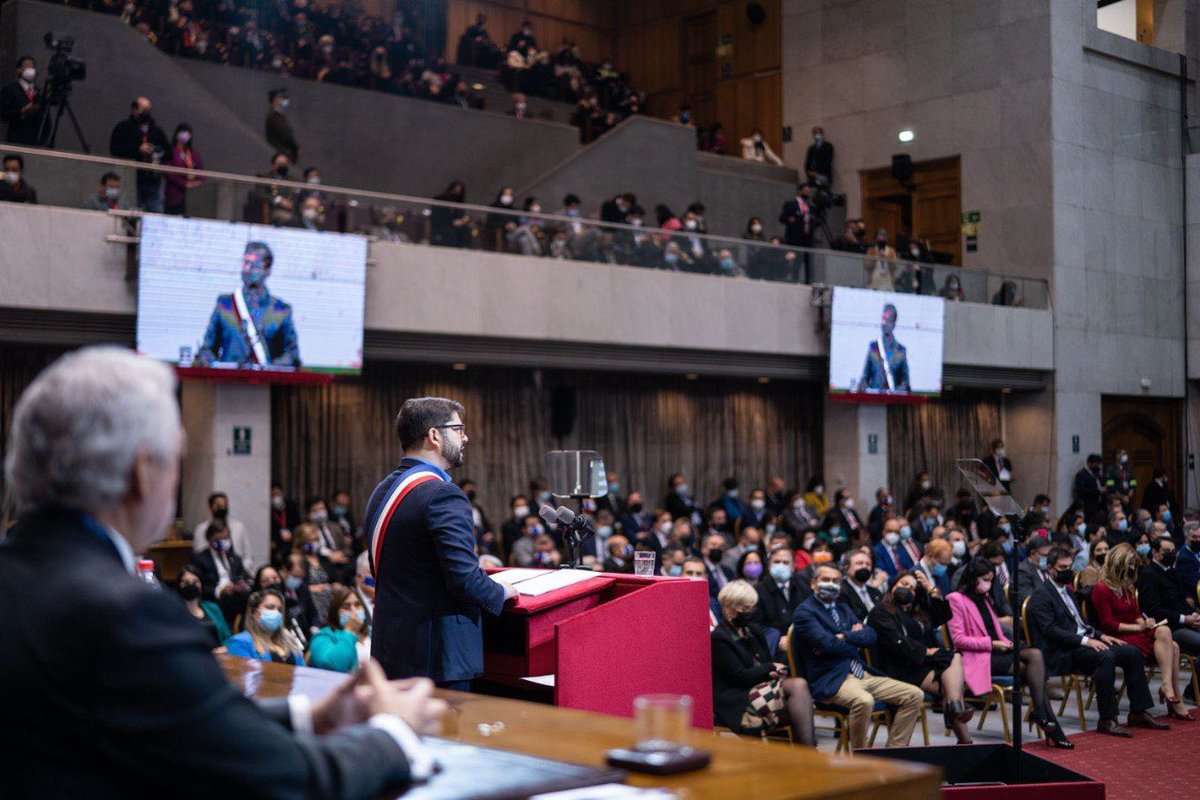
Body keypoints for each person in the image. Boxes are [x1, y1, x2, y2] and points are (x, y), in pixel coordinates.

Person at [0, 345, 446, 797]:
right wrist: (394, 730)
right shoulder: (126, 614)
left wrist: (308, 718)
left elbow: (176, 721)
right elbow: (293, 783)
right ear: (142, 472)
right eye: (178, 459)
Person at [364, 397, 516, 689]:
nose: (466, 437)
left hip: (392, 651)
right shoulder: (442, 494)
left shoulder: (382, 490)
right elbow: (464, 580)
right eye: (459, 429)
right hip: (437, 659)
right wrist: (501, 591)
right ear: (434, 435)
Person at [1028, 546, 1166, 736]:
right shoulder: (1041, 595)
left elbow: (1081, 622)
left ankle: (1138, 712)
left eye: (1070, 566)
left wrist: (1100, 635)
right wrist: (1086, 641)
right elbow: (1052, 631)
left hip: (1081, 643)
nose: (1068, 571)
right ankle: (1107, 719)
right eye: (1063, 568)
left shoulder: (1067, 591)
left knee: (1131, 652)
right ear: (1050, 568)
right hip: (1061, 651)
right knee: (1105, 656)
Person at [792, 563, 924, 749]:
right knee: (864, 701)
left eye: (836, 581)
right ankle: (861, 756)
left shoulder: (843, 608)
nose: (831, 584)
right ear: (814, 583)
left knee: (914, 695)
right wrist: (853, 641)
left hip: (861, 671)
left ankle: (895, 752)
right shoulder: (804, 612)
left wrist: (845, 636)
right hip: (832, 679)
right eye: (826, 580)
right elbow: (827, 644)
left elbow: (870, 636)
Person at [946, 558, 1071, 747]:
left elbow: (995, 629)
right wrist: (993, 644)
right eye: (984, 579)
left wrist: (1007, 643)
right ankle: (1048, 724)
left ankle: (1041, 715)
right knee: (1033, 670)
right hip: (977, 657)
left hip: (997, 650)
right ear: (972, 578)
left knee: (1035, 656)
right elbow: (959, 640)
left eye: (990, 579)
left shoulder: (985, 598)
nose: (987, 584)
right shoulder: (955, 599)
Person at [867, 571, 973, 743]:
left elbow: (943, 615)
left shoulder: (914, 612)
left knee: (953, 664)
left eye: (912, 588)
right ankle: (963, 733)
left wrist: (930, 588)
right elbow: (896, 642)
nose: (907, 589)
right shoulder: (881, 610)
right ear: (893, 585)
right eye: (903, 584)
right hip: (897, 667)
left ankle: (955, 709)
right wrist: (925, 651)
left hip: (918, 664)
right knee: (953, 680)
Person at [1092, 542, 1193, 720]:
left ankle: (1167, 686)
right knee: (1174, 647)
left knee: (1164, 631)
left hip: (1135, 630)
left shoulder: (1127, 586)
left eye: (1134, 565)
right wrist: (1139, 626)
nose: (1132, 568)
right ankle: (1172, 697)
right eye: (1129, 564)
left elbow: (1135, 613)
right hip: (1118, 635)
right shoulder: (1101, 588)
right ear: (1119, 563)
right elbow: (1108, 624)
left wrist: (1145, 622)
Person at [711, 580, 814, 743]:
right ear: (728, 607)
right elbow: (739, 677)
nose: (750, 612)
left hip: (762, 687)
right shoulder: (719, 637)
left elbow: (765, 663)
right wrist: (770, 668)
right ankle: (807, 752)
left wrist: (773, 670)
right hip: (739, 696)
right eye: (744, 608)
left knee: (796, 698)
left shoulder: (753, 631)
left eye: (752, 608)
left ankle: (798, 754)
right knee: (798, 687)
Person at [194, 241, 301, 368]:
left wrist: (269, 369)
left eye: (254, 265)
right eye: (245, 263)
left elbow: (292, 355)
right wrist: (210, 363)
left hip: (266, 384)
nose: (246, 270)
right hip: (228, 383)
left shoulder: (281, 311)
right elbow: (207, 350)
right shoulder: (225, 305)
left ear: (267, 271)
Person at [108, 96, 168, 213]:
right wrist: (137, 149)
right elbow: (115, 149)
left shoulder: (156, 131)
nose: (147, 113)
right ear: (135, 109)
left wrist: (156, 152)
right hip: (130, 178)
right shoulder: (123, 127)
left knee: (155, 211)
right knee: (131, 210)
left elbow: (168, 152)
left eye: (148, 110)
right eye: (143, 109)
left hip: (152, 179)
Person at [188, 519, 252, 626]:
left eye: (225, 538)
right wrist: (220, 590)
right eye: (218, 539)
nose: (223, 542)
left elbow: (244, 576)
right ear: (209, 540)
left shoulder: (235, 558)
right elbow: (199, 586)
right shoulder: (199, 559)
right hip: (214, 599)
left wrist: (241, 584)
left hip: (236, 597)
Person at [226, 589, 305, 665]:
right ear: (255, 613)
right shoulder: (241, 642)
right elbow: (243, 675)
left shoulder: (289, 640)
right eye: (270, 607)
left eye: (279, 609)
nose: (276, 612)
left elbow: (304, 672)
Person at [309, 586, 372, 673]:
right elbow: (329, 664)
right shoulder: (323, 636)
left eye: (357, 605)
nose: (353, 610)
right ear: (336, 611)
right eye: (346, 607)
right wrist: (349, 631)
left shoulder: (373, 632)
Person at [191, 491, 255, 570]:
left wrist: (240, 569)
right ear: (211, 507)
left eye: (225, 505)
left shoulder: (238, 526)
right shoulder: (201, 529)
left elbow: (248, 554)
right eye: (218, 506)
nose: (222, 508)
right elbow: (199, 553)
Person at [175, 564, 232, 647]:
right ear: (179, 585)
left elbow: (227, 637)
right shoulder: (174, 610)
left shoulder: (212, 608)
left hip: (217, 655)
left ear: (201, 585)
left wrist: (224, 648)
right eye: (186, 582)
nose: (191, 585)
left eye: (195, 582)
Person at [859, 303, 910, 392]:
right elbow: (864, 378)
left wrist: (894, 393)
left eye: (887, 320)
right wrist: (866, 389)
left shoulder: (901, 351)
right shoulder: (873, 347)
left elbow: (906, 384)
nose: (883, 323)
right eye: (883, 319)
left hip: (893, 403)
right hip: (874, 402)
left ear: (894, 324)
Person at [0, 56, 43, 145]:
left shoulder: (40, 92)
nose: (31, 69)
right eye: (27, 66)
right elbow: (3, 113)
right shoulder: (10, 90)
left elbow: (46, 121)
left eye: (33, 66)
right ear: (19, 70)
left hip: (36, 142)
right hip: (16, 140)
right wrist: (21, 111)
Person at [163, 122, 204, 215]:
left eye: (188, 133)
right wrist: (184, 183)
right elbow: (168, 172)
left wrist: (196, 181)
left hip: (193, 195)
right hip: (174, 194)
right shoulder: (171, 151)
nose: (185, 135)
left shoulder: (193, 153)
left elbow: (201, 172)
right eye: (183, 132)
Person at [839, 549, 883, 621]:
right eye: (859, 563)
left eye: (868, 564)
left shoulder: (876, 592)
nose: (864, 566)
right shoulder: (841, 591)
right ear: (847, 567)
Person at [1015, 534, 1052, 605]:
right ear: (1032, 553)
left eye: (1049, 555)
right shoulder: (1022, 571)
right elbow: (1029, 600)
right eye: (1045, 555)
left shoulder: (1046, 567)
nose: (1048, 558)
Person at [266, 88, 299, 163]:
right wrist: (294, 146)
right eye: (281, 98)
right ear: (275, 99)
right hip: (282, 150)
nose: (283, 100)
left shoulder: (279, 114)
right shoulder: (275, 115)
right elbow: (284, 133)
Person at [1074, 453, 1107, 522]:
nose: (1098, 466)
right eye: (1096, 464)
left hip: (1098, 504)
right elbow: (1081, 490)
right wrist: (1097, 490)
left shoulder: (1096, 473)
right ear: (1089, 463)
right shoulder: (1081, 475)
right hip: (1088, 506)